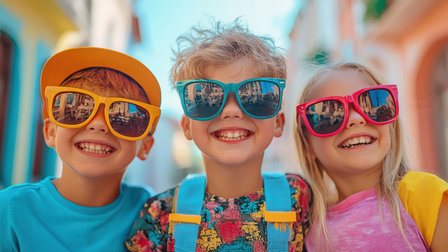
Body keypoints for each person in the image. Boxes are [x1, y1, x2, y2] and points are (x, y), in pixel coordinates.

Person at [125, 20, 312, 251]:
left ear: (278, 123)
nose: (231, 110)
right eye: (207, 98)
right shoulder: (160, 214)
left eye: (255, 96)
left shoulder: (300, 199)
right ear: (186, 126)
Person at [0, 47, 162, 251]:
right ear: (51, 132)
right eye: (76, 108)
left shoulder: (151, 212)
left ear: (145, 146)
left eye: (125, 117)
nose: (98, 124)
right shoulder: (10, 211)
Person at [294, 62, 448, 251]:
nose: (356, 119)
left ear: (391, 127)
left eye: (373, 104)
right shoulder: (308, 230)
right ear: (308, 147)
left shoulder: (424, 194)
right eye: (328, 114)